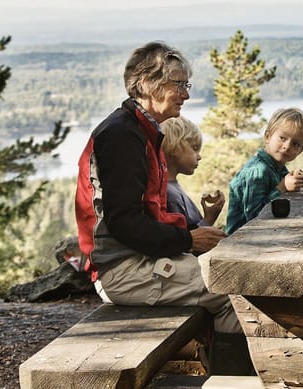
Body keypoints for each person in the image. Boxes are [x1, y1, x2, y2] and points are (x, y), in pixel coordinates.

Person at [74, 41, 252, 375]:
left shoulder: (140, 130)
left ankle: (223, 374)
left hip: (138, 261)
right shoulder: (121, 136)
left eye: (187, 84)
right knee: (232, 289)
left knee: (230, 273)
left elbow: (152, 215)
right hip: (122, 271)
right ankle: (229, 382)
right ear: (146, 85)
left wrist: (193, 234)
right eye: (178, 84)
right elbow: (125, 223)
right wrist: (188, 241)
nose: (185, 93)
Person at [225, 107, 303, 235]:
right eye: (282, 138)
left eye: (295, 144)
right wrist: (282, 188)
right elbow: (254, 217)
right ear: (267, 137)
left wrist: (296, 184)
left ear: (300, 151)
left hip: (267, 234)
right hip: (241, 240)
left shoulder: (279, 168)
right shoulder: (258, 171)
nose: (287, 146)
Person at [162, 115, 225, 236]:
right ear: (174, 147)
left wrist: (209, 215)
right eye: (195, 148)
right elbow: (189, 242)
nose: (199, 156)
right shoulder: (169, 195)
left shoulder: (171, 187)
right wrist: (209, 220)